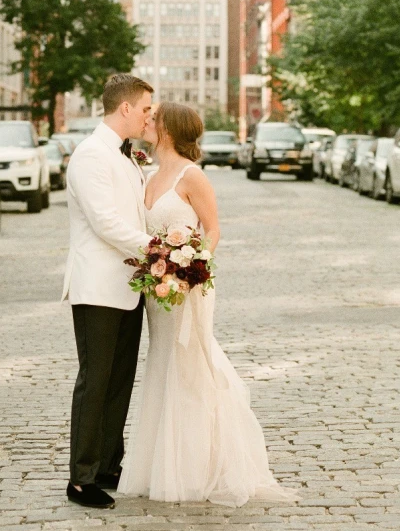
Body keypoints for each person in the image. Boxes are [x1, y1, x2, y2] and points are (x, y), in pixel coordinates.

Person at [118, 102, 296, 507]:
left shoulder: (190, 174)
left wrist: (190, 266)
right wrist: (162, 270)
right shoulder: (147, 173)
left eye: (154, 118)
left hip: (187, 288)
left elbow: (212, 229)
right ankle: (159, 462)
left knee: (191, 364)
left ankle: (198, 466)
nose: (147, 120)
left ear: (168, 129)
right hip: (156, 289)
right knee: (163, 363)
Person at [63, 74, 154, 510]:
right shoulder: (90, 155)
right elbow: (105, 224)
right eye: (145, 110)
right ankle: (80, 479)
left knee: (119, 381)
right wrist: (159, 249)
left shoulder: (125, 157)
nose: (148, 117)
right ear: (125, 109)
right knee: (94, 381)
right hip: (98, 287)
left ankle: (106, 465)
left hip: (129, 286)